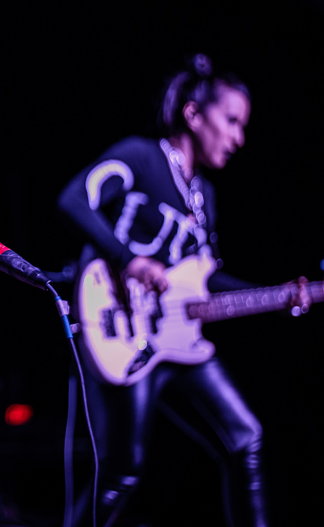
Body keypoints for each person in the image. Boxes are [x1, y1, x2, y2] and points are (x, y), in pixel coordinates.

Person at [58, 54, 280, 526]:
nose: (239, 138)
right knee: (122, 472)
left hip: (176, 337)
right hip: (117, 326)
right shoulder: (142, 157)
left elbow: (205, 278)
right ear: (194, 114)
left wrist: (283, 294)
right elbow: (75, 198)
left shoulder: (204, 196)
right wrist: (127, 258)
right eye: (232, 121)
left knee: (246, 438)